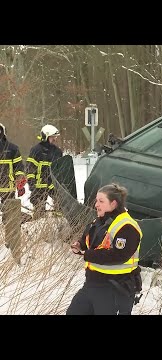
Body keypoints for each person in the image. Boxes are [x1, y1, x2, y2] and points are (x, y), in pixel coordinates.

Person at [66, 183, 143, 315]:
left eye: (101, 201)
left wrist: (88, 254)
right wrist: (79, 245)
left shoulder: (127, 227)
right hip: (92, 284)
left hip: (116, 288)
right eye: (97, 200)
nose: (96, 204)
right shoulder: (99, 222)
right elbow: (87, 242)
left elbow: (119, 256)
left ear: (113, 204)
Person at [25, 124, 63, 219]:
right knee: (39, 212)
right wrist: (32, 185)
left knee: (60, 205)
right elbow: (30, 169)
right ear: (45, 136)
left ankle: (58, 224)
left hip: (53, 185)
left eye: (55, 137)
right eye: (52, 137)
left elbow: (61, 170)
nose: (54, 139)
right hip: (38, 187)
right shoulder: (36, 150)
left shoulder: (57, 152)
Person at [0, 123, 26, 224]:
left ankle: (9, 235)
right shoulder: (13, 148)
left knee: (9, 215)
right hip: (8, 187)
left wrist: (20, 185)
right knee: (9, 214)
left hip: (8, 187)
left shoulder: (12, 148)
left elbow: (19, 168)